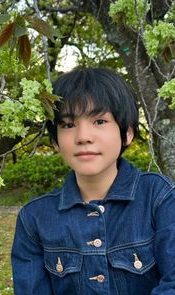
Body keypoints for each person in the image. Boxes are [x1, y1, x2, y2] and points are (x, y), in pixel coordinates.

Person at [11, 67, 175, 295]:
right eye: (68, 125)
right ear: (56, 141)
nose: (83, 137)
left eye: (99, 121)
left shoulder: (160, 197)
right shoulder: (34, 218)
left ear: (127, 133)